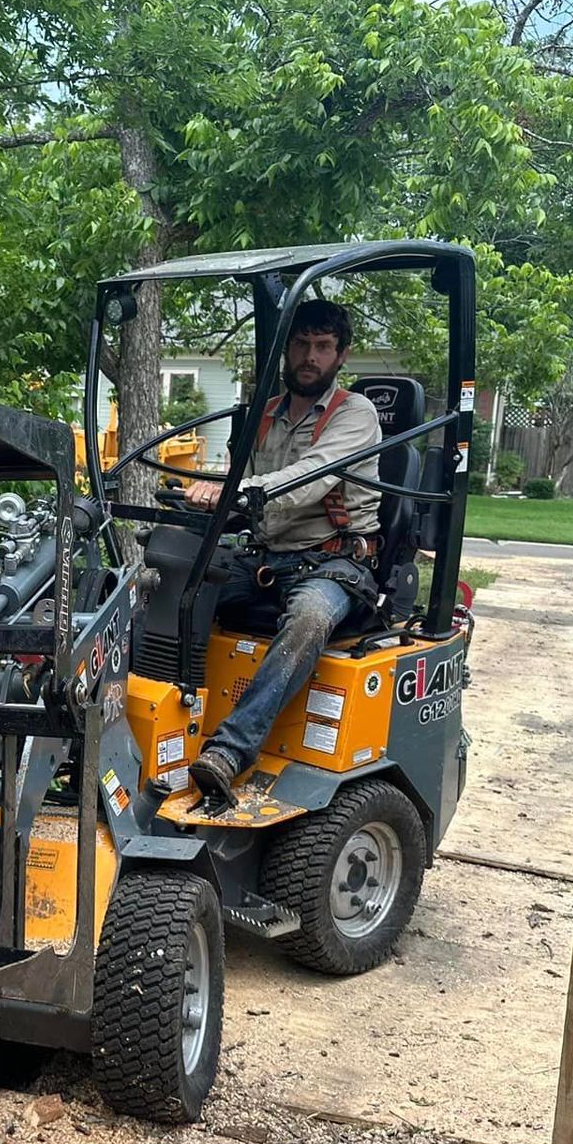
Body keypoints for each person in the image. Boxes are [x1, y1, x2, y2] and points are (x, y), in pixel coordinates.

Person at [182, 298, 383, 803]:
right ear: (286, 349)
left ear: (341, 356)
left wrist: (242, 491)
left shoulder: (355, 415)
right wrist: (210, 495)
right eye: (301, 344)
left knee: (310, 616)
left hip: (335, 561)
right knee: (172, 587)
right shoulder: (262, 414)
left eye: (322, 347)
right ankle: (161, 718)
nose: (309, 357)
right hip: (267, 556)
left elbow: (308, 478)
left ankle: (230, 750)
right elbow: (236, 482)